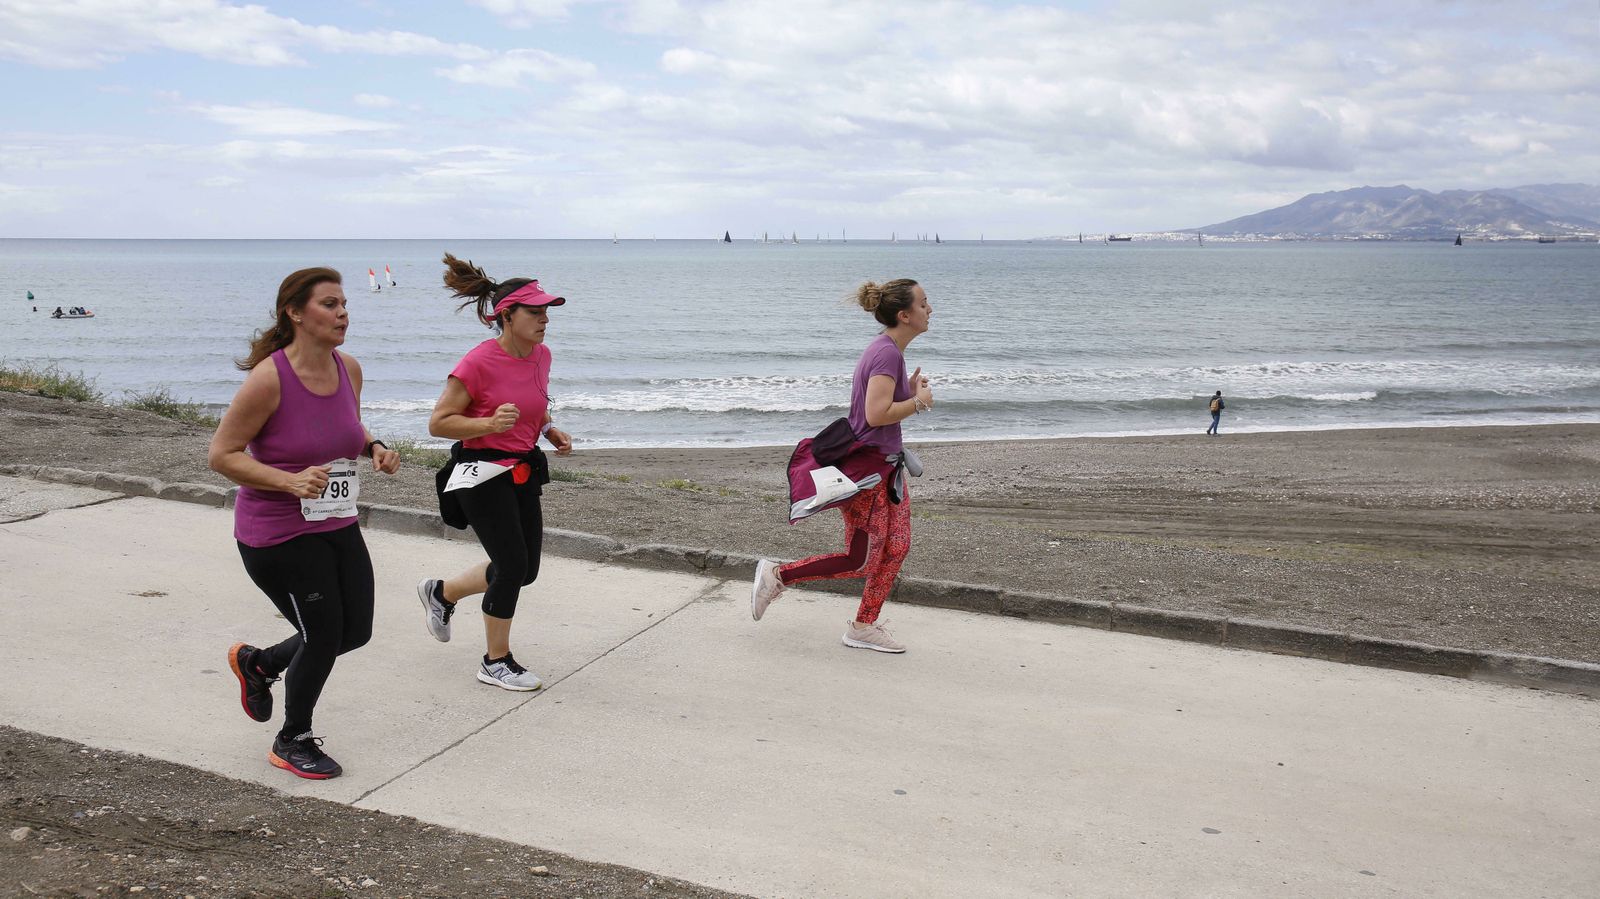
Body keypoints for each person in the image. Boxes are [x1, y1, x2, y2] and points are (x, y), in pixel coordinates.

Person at [208, 267, 400, 780]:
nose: (343, 313)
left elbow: (344, 428)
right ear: (295, 313)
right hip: (277, 532)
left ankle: (261, 664)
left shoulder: (348, 369)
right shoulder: (269, 379)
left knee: (353, 631)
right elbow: (222, 455)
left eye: (344, 304)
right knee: (321, 633)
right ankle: (292, 739)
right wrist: (288, 481)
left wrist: (374, 446)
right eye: (330, 304)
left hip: (335, 520)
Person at [416, 253, 573, 691]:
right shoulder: (477, 362)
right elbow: (439, 422)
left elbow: (531, 405)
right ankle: (495, 661)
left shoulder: (542, 356)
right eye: (535, 311)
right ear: (506, 315)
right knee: (511, 563)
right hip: (480, 473)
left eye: (546, 312)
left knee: (526, 569)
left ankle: (441, 593)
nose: (544, 319)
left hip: (522, 469)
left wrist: (548, 428)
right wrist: (487, 424)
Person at [750, 279, 934, 653]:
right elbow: (875, 414)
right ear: (904, 315)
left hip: (887, 470)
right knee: (859, 559)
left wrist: (907, 392)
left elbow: (876, 408)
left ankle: (864, 626)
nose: (931, 310)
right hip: (868, 474)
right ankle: (777, 575)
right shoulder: (885, 354)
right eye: (925, 304)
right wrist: (920, 403)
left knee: (896, 548)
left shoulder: (890, 353)